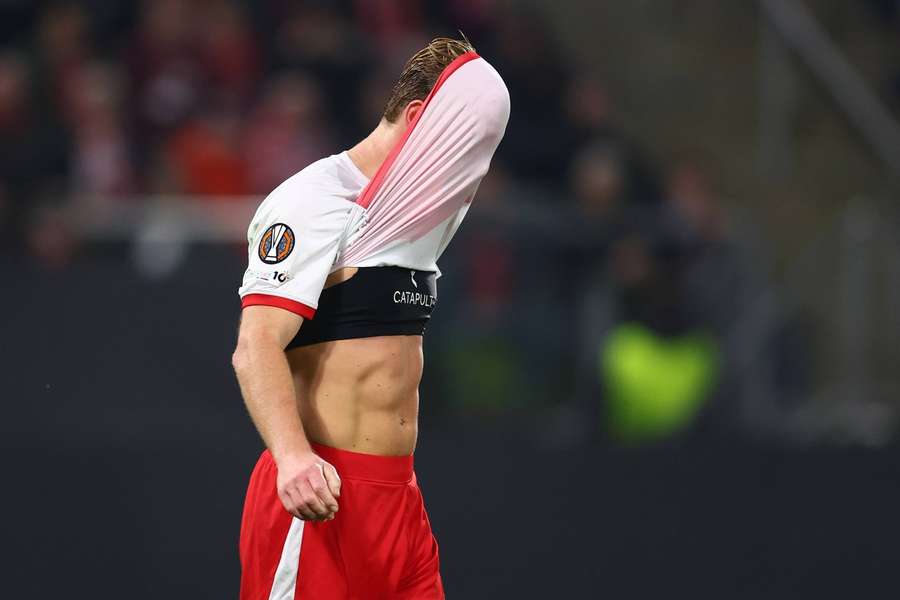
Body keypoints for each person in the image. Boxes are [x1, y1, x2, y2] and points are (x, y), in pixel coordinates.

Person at [232, 37, 509, 600]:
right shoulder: (311, 203)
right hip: (319, 498)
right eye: (461, 147)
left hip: (399, 500)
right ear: (417, 119)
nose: (468, 167)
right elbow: (255, 345)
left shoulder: (419, 216)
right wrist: (292, 461)